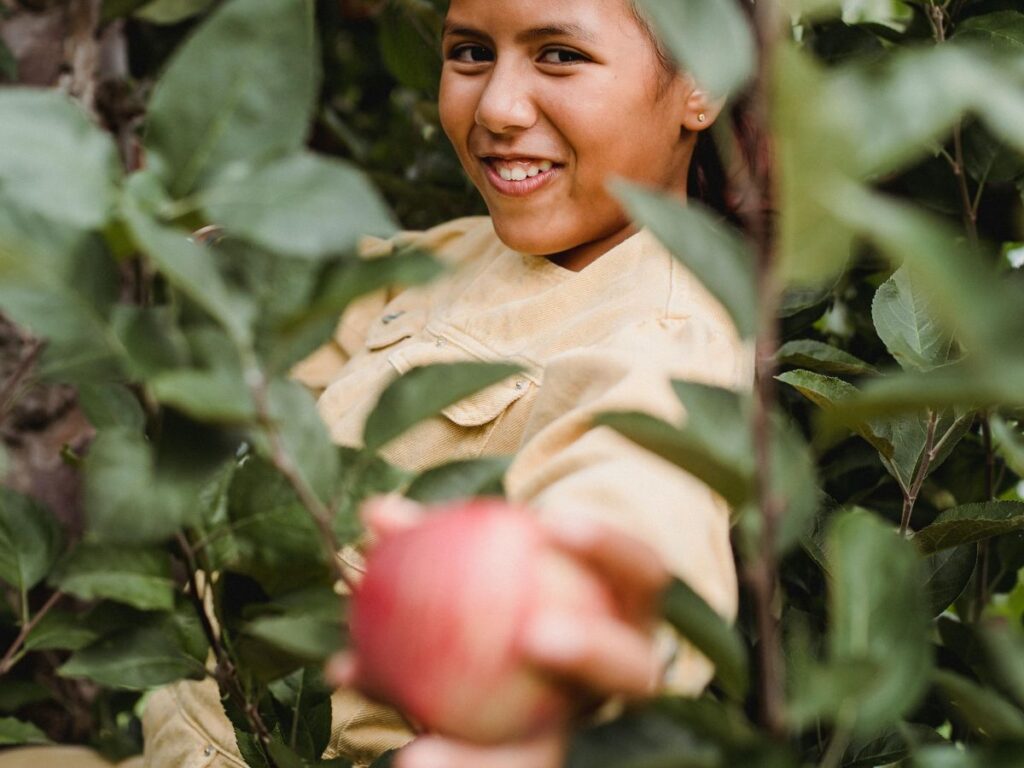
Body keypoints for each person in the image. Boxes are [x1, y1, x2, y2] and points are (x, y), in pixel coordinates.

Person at [0, 0, 749, 766]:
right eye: (470, 53)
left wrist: (583, 627)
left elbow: (638, 498)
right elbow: (299, 291)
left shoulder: (663, 336)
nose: (496, 106)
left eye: (559, 55)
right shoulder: (465, 255)